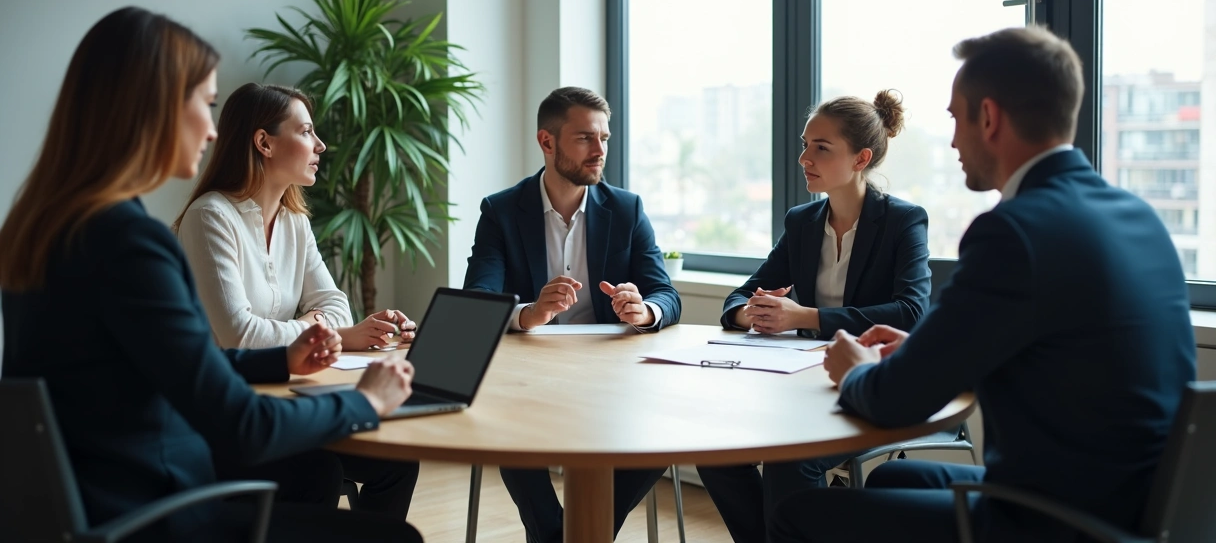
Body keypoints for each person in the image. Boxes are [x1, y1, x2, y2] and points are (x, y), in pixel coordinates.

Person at [0, 7, 422, 543]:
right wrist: (365, 400)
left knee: (321, 474)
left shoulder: (48, 228)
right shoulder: (128, 243)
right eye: (206, 103)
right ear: (151, 111)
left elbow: (173, 365)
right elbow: (242, 426)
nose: (214, 128)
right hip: (160, 511)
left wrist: (280, 357)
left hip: (103, 499)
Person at [769, 26, 1197, 543]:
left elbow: (892, 403)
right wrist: (927, 350)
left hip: (1057, 518)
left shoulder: (1014, 230)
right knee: (898, 475)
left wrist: (858, 371)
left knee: (800, 513)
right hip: (1142, 502)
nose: (952, 140)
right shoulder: (1136, 216)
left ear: (988, 117)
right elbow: (1052, 350)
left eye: (955, 118)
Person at [173, 82, 421, 518]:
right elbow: (240, 335)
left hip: (285, 393)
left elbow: (337, 305)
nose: (320, 145)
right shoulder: (210, 216)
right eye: (306, 131)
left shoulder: (294, 221)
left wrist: (329, 329)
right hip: (233, 412)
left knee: (396, 461)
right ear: (264, 142)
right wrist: (327, 331)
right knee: (319, 471)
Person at [698, 90, 931, 543]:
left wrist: (803, 315)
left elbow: (911, 312)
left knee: (791, 459)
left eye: (821, 148)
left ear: (861, 158)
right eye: (805, 144)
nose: (805, 157)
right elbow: (740, 296)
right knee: (715, 451)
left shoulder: (904, 220)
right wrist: (753, 314)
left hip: (872, 387)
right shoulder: (802, 222)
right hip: (801, 385)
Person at [463, 86, 680, 542]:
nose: (599, 150)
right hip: (527, 375)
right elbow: (477, 299)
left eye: (604, 138)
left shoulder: (626, 209)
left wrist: (643, 311)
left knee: (668, 425)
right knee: (505, 420)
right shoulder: (501, 211)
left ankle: (577, 532)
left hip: (611, 374)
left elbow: (666, 294)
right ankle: (560, 533)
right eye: (585, 138)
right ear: (547, 142)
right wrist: (529, 313)